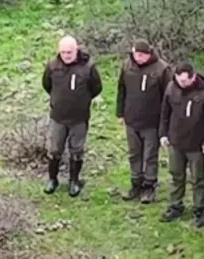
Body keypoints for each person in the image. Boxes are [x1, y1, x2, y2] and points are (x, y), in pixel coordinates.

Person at [158, 62, 204, 226]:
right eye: (179, 80)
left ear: (193, 77)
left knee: (197, 179)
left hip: (197, 146)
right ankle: (176, 206)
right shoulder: (171, 88)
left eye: (184, 81)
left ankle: (200, 209)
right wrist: (163, 134)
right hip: (175, 142)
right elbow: (165, 112)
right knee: (176, 175)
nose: (181, 84)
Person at [42, 36, 103, 198]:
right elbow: (46, 85)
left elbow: (96, 87)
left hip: (79, 118)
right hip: (58, 117)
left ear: (76, 49)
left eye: (69, 52)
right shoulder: (52, 66)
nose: (66, 55)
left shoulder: (88, 66)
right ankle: (52, 179)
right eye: (63, 52)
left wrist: (82, 101)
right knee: (55, 150)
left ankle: (74, 181)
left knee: (76, 150)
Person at [115, 39, 172, 203]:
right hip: (132, 119)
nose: (139, 57)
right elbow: (121, 89)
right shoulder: (127, 66)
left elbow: (169, 97)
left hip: (152, 122)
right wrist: (120, 113)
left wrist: (165, 124)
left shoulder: (162, 69)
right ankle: (135, 183)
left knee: (150, 156)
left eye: (142, 55)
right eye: (136, 54)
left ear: (149, 54)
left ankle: (149, 186)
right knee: (134, 154)